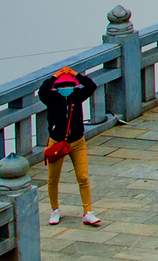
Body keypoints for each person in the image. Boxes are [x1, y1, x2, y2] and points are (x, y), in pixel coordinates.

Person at [38, 66, 100, 226]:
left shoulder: (77, 96)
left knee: (82, 177)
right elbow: (42, 90)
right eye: (62, 86)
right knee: (53, 179)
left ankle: (88, 212)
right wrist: (55, 75)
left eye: (69, 85)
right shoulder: (51, 98)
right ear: (57, 87)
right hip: (57, 142)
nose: (66, 88)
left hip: (77, 142)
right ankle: (54, 210)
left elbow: (91, 86)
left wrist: (75, 74)